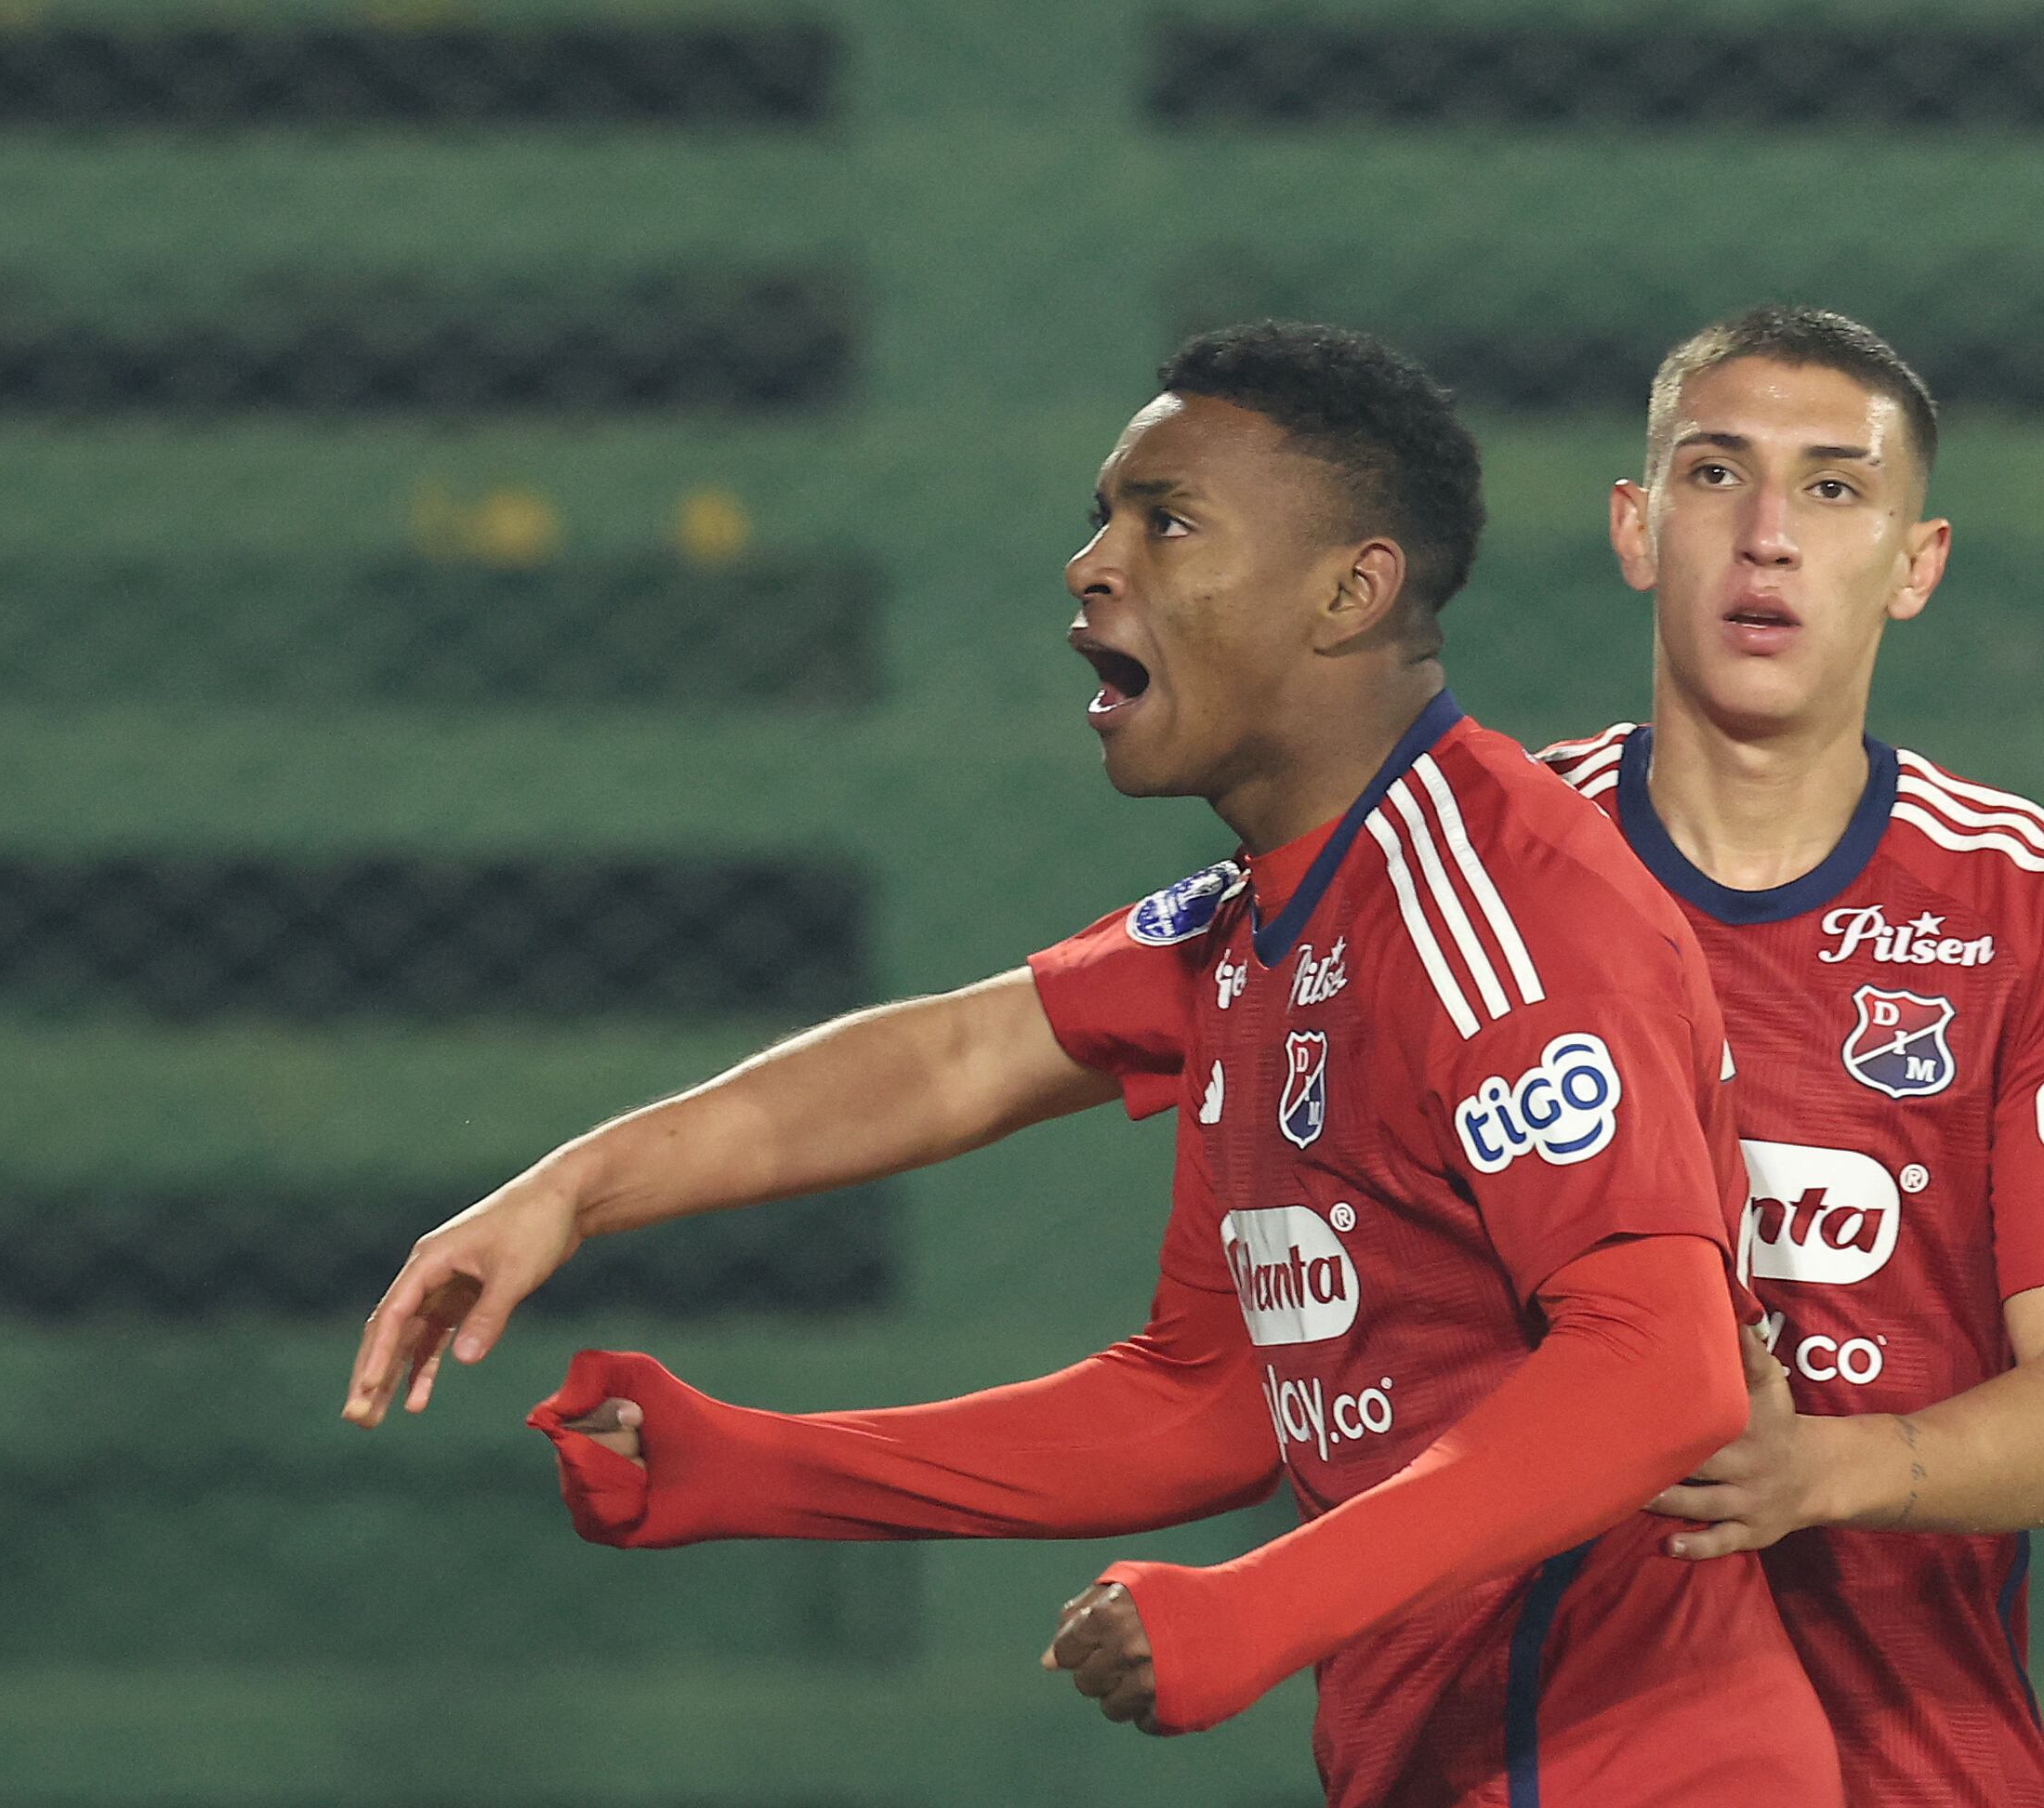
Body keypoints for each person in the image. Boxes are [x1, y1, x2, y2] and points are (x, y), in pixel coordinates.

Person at [349, 322, 1842, 1804]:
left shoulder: (1500, 906)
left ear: (1350, 590)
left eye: (1167, 520)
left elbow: (1661, 1373)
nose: (1093, 562)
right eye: (1104, 517)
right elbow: (1182, 1364)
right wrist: (716, 1417)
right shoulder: (1266, 923)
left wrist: (1253, 1607)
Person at [1542, 304, 2044, 1804]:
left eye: (1835, 488)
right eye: (1716, 476)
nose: (1768, 534)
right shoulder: (1476, 873)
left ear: (1918, 564)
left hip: (1906, 1763)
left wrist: (1812, 1470)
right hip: (1536, 1748)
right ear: (1637, 530)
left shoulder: (2041, 907)